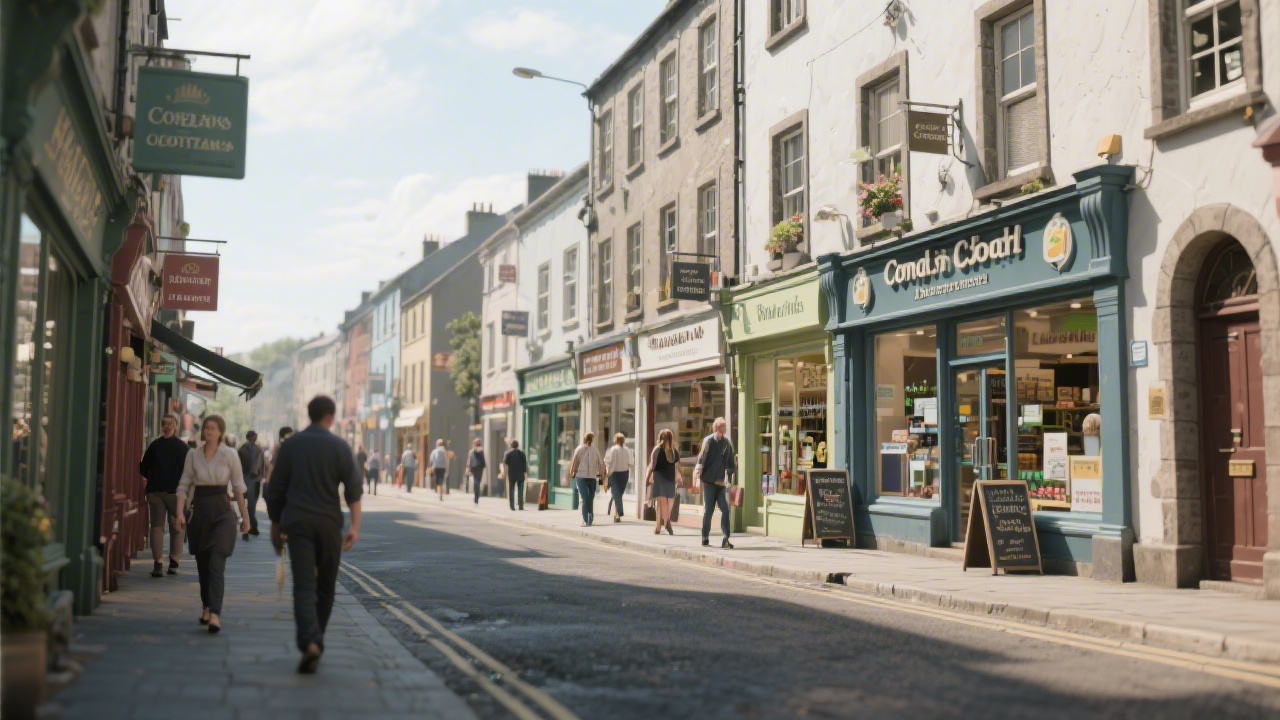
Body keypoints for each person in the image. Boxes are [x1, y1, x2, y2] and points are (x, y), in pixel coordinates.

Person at [265, 396, 362, 674]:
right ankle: (316, 636)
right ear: (331, 417)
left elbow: (276, 489)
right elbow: (353, 490)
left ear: (309, 415)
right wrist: (354, 527)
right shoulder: (340, 446)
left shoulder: (291, 445)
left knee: (304, 585)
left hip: (297, 523)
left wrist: (275, 524)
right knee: (326, 586)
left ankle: (310, 641)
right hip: (329, 525)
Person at [175, 415, 250, 634]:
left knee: (216, 561)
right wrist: (180, 512)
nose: (209, 431)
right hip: (200, 511)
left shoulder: (230, 454)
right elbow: (183, 485)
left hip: (223, 512)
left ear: (221, 431)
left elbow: (238, 488)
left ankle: (215, 613)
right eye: (206, 428)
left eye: (213, 428)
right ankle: (206, 604)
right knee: (203, 563)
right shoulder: (193, 454)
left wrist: (245, 517)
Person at [139, 414, 190, 577]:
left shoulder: (154, 446)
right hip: (175, 493)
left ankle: (158, 563)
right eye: (165, 423)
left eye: (169, 423)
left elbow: (143, 468)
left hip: (156, 491)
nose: (167, 426)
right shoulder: (183, 448)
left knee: (157, 528)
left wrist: (153, 478)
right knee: (177, 526)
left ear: (175, 426)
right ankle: (174, 561)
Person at [693, 417, 737, 549]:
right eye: (724, 426)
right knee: (709, 510)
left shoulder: (726, 443)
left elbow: (730, 463)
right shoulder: (709, 441)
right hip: (708, 481)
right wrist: (697, 479)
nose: (726, 428)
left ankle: (726, 538)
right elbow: (701, 460)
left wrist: (729, 480)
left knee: (725, 509)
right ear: (717, 428)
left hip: (721, 482)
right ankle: (705, 536)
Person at [644, 428, 680, 536]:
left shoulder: (657, 449)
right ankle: (664, 524)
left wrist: (647, 479)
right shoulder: (674, 451)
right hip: (670, 478)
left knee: (662, 503)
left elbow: (653, 465)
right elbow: (676, 465)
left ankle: (666, 522)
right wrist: (678, 476)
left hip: (659, 478)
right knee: (667, 503)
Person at [567, 432, 604, 527]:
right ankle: (588, 519)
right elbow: (601, 464)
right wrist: (601, 477)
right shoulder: (593, 449)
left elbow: (574, 461)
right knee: (589, 498)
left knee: (586, 498)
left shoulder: (583, 449)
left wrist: (571, 473)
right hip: (589, 477)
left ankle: (587, 519)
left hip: (583, 477)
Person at [237, 430, 267, 540]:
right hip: (254, 481)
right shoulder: (259, 449)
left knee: (243, 504)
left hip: (242, 479)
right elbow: (262, 466)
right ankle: (252, 525)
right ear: (253, 437)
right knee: (252, 505)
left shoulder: (241, 449)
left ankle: (246, 525)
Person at [603, 433, 632, 523]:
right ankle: (617, 515)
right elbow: (630, 463)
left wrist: (608, 474)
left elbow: (610, 463)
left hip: (615, 474)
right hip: (625, 474)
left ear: (616, 440)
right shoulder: (628, 450)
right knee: (618, 495)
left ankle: (618, 512)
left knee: (617, 495)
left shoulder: (613, 449)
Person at [502, 440, 527, 511]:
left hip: (512, 474)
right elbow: (524, 465)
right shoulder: (522, 453)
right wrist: (525, 474)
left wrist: (505, 473)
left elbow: (505, 464)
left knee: (511, 490)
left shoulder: (508, 453)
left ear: (511, 445)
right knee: (520, 490)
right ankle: (521, 506)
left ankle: (512, 506)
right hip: (520, 473)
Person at [467, 439, 486, 504]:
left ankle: (476, 496)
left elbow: (469, 460)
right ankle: (476, 496)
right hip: (480, 468)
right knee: (477, 482)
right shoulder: (482, 450)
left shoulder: (472, 451)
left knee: (476, 482)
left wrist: (468, 468)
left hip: (474, 467)